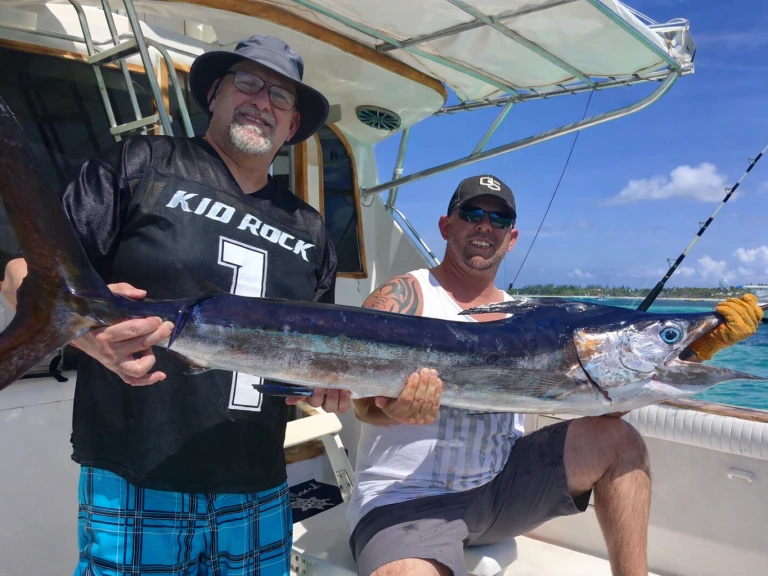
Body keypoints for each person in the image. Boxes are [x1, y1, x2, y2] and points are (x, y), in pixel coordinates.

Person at [2, 34, 349, 575]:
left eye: (281, 97)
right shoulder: (141, 162)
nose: (262, 101)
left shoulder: (311, 229)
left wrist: (329, 388)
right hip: (138, 477)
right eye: (248, 83)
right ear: (215, 93)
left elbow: (310, 361)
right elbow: (23, 271)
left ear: (291, 126)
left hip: (258, 485)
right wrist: (86, 333)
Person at [347, 174, 764, 576]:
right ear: (446, 225)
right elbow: (363, 407)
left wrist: (694, 347)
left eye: (500, 220)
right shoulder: (403, 296)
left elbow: (604, 403)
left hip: (501, 490)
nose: (485, 227)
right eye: (473, 213)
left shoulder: (528, 319)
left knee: (621, 442)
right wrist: (395, 412)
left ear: (512, 238)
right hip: (409, 500)